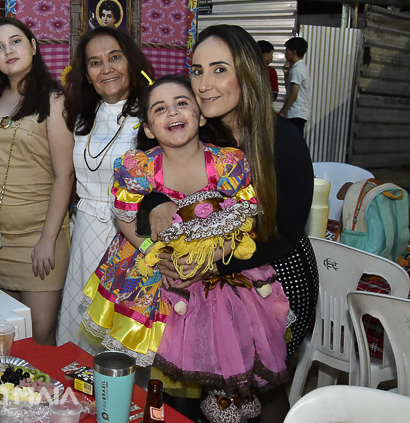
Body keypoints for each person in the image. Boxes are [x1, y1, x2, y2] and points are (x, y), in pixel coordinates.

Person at [84, 75, 290, 423]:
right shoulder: (139, 168)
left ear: (201, 116)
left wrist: (208, 259)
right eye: (159, 109)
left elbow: (248, 219)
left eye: (182, 103)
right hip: (160, 282)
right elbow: (125, 218)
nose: (172, 112)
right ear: (148, 129)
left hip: (223, 277)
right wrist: (155, 253)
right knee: (170, 384)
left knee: (228, 367)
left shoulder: (227, 163)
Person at [143, 25, 316, 422]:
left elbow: (284, 233)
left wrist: (205, 264)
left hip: (278, 277)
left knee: (258, 390)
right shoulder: (204, 132)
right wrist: (155, 203)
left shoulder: (283, 140)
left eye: (219, 70)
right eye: (197, 70)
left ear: (247, 74)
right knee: (208, 396)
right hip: (208, 281)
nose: (204, 84)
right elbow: (151, 169)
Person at [0, 17, 74, 346]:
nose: (8, 51)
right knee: (2, 335)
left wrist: (47, 239)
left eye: (15, 41)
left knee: (39, 336)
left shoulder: (54, 101)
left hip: (38, 236)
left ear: (32, 46)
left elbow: (64, 174)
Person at [56, 26, 154, 350]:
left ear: (131, 62)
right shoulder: (83, 114)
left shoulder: (150, 114)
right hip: (85, 232)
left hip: (128, 238)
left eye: (115, 57)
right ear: (86, 74)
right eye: (95, 62)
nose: (107, 69)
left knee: (116, 340)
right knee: (77, 336)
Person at [279, 37, 310, 135]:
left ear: (294, 52)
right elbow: (289, 89)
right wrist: (286, 73)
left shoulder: (297, 70)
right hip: (297, 113)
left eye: (287, 50)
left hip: (295, 113)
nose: (285, 53)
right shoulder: (299, 68)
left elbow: (293, 95)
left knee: (293, 140)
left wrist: (281, 112)